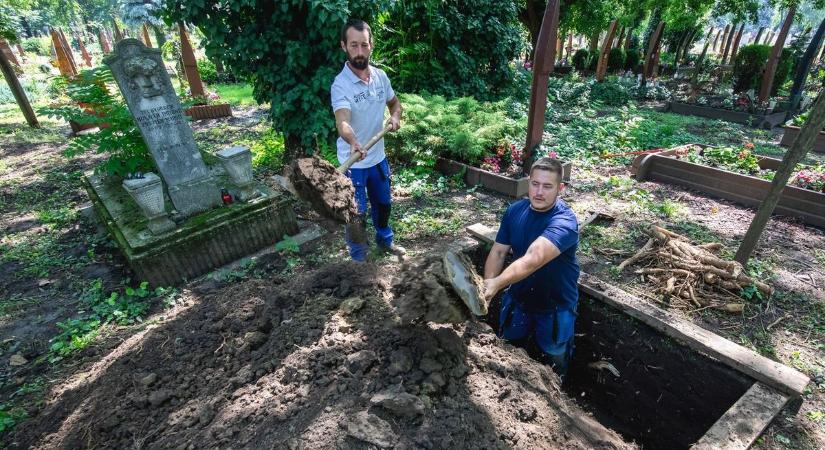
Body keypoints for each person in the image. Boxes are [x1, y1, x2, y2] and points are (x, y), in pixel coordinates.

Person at [482, 157, 579, 381]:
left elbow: (533, 258)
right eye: (535, 184)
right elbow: (498, 252)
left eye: (547, 186)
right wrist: (487, 286)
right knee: (507, 346)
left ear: (560, 188)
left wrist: (497, 284)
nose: (539, 192)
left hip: (555, 306)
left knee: (554, 356)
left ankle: (558, 392)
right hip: (519, 300)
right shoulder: (515, 211)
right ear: (528, 182)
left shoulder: (565, 222)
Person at [331, 18, 404, 262]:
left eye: (364, 45)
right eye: (354, 45)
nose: (360, 52)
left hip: (377, 158)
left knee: (383, 204)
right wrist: (352, 140)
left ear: (371, 45)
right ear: (344, 46)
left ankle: (385, 241)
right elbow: (342, 121)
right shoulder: (340, 85)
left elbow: (395, 103)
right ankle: (359, 259)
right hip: (353, 163)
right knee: (356, 215)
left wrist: (394, 117)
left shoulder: (381, 77)